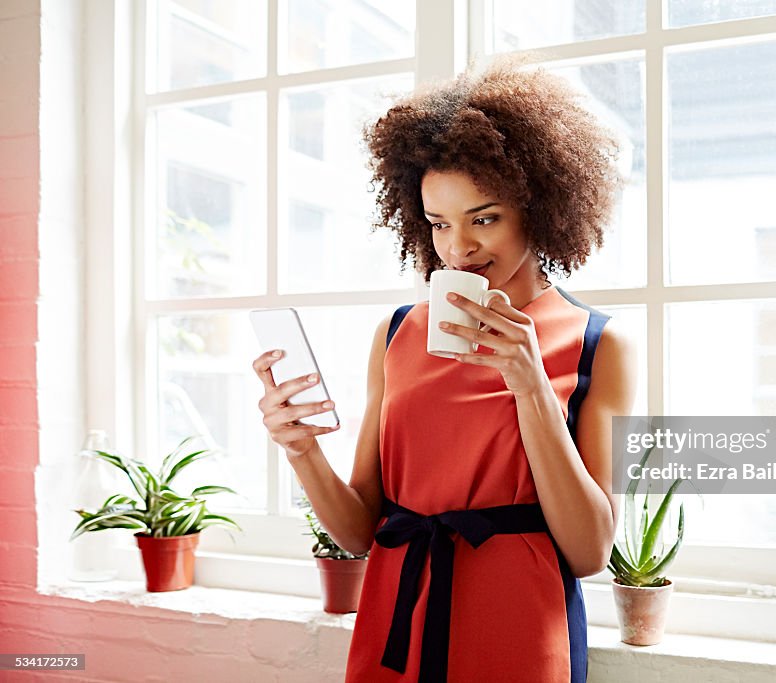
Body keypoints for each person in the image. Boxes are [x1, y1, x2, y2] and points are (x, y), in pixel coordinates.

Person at [252, 54, 636, 682]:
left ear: (539, 209)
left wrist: (530, 385)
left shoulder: (598, 343)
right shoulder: (397, 332)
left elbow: (591, 550)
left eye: (484, 218)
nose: (459, 248)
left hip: (518, 628)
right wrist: (299, 449)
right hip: (396, 618)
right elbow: (358, 532)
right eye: (438, 224)